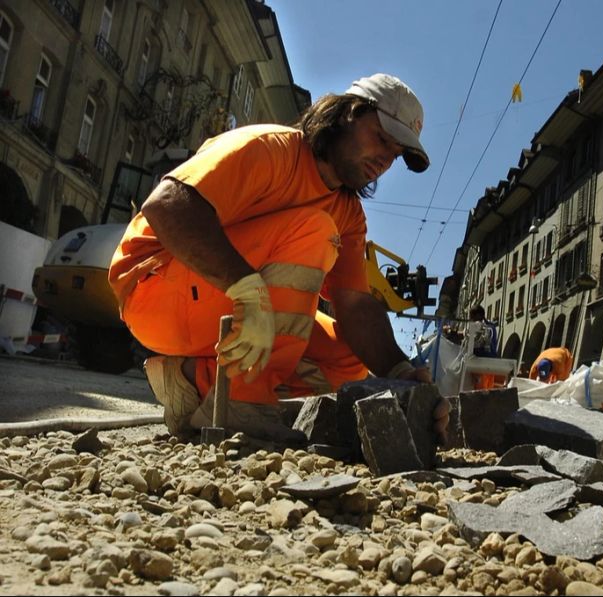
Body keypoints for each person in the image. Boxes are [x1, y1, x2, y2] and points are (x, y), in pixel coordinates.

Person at [109, 74, 449, 442]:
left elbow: (354, 305)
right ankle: (243, 402)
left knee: (349, 363)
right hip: (153, 289)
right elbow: (166, 207)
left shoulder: (348, 214)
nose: (384, 160)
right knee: (315, 230)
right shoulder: (270, 149)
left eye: (395, 154)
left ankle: (193, 385)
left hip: (214, 307)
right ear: (349, 113)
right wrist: (246, 288)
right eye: (381, 139)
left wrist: (400, 372)